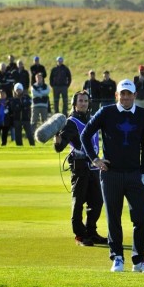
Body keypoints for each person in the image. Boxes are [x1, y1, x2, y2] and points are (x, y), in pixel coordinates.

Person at [81, 79, 144, 273]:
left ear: (134, 96)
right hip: (110, 174)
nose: (125, 97)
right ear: (117, 95)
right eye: (122, 94)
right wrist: (95, 160)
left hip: (134, 174)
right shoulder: (106, 112)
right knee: (113, 217)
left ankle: (139, 260)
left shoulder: (143, 115)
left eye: (128, 94)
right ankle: (118, 258)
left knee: (142, 217)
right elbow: (85, 134)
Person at [53, 91, 104, 247]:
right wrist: (56, 135)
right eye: (80, 101)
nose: (83, 103)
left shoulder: (91, 119)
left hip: (94, 166)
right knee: (79, 201)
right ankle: (80, 235)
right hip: (80, 166)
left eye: (86, 101)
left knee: (97, 201)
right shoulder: (71, 122)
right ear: (74, 103)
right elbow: (60, 147)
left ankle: (91, 231)